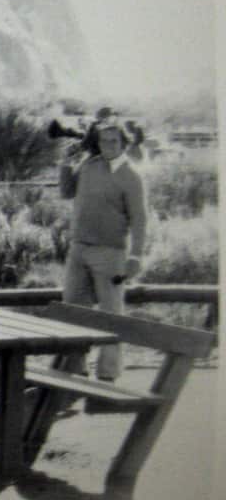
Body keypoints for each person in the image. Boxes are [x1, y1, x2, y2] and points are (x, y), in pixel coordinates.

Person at [58, 113, 148, 381]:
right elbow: (66, 192)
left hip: (111, 253)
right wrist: (65, 162)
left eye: (114, 141)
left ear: (124, 143)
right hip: (79, 248)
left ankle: (108, 375)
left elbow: (139, 219)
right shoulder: (89, 165)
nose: (108, 145)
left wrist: (136, 256)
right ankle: (75, 368)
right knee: (73, 310)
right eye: (104, 141)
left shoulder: (131, 176)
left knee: (111, 315)